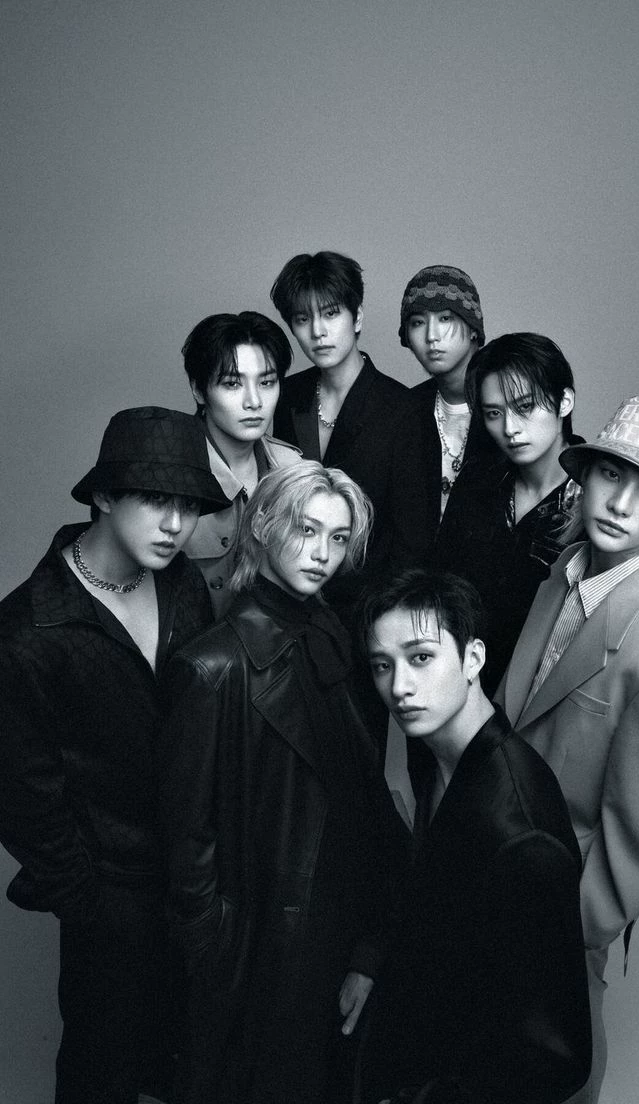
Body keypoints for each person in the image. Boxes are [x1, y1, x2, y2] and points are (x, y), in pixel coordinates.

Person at [496, 395, 639, 1103]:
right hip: (485, 883)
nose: (622, 505)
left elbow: (633, 857)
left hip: (554, 928)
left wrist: (554, 939)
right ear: (586, 474)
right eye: (611, 475)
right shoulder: (564, 571)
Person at [0, 407, 230, 1104]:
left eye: (188, 505)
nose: (176, 524)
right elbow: (22, 796)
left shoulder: (184, 587)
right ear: (102, 495)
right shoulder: (28, 629)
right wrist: (90, 904)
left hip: (197, 883)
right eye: (155, 500)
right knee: (102, 1075)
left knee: (198, 1069)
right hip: (109, 902)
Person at [158, 462, 404, 1104]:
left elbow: (360, 803)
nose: (323, 554)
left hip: (334, 939)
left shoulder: (332, 638)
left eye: (339, 538)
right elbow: (186, 844)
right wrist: (218, 960)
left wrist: (369, 948)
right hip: (258, 961)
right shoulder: (212, 667)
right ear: (263, 526)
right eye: (306, 530)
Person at [356, 568, 592, 1104]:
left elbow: (555, 1061)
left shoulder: (520, 832)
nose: (399, 687)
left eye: (421, 657)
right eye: (382, 665)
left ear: (473, 659)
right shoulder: (436, 757)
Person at [435, 332, 584, 694]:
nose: (509, 429)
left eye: (525, 407)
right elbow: (440, 579)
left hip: (539, 698)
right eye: (494, 414)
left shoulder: (594, 500)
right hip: (456, 683)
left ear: (564, 401)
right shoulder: (478, 478)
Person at [271, 250, 423, 599]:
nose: (318, 332)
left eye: (330, 313)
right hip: (291, 595)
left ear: (357, 318)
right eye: (302, 319)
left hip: (369, 602)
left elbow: (411, 541)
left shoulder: (403, 410)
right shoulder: (287, 395)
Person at [182, 310, 302, 614]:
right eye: (233, 384)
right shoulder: (171, 472)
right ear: (198, 390)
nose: (254, 401)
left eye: (267, 382)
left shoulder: (293, 470)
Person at [398, 264, 501, 548]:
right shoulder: (404, 410)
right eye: (417, 323)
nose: (432, 335)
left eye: (445, 318)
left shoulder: (508, 406)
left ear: (473, 329)